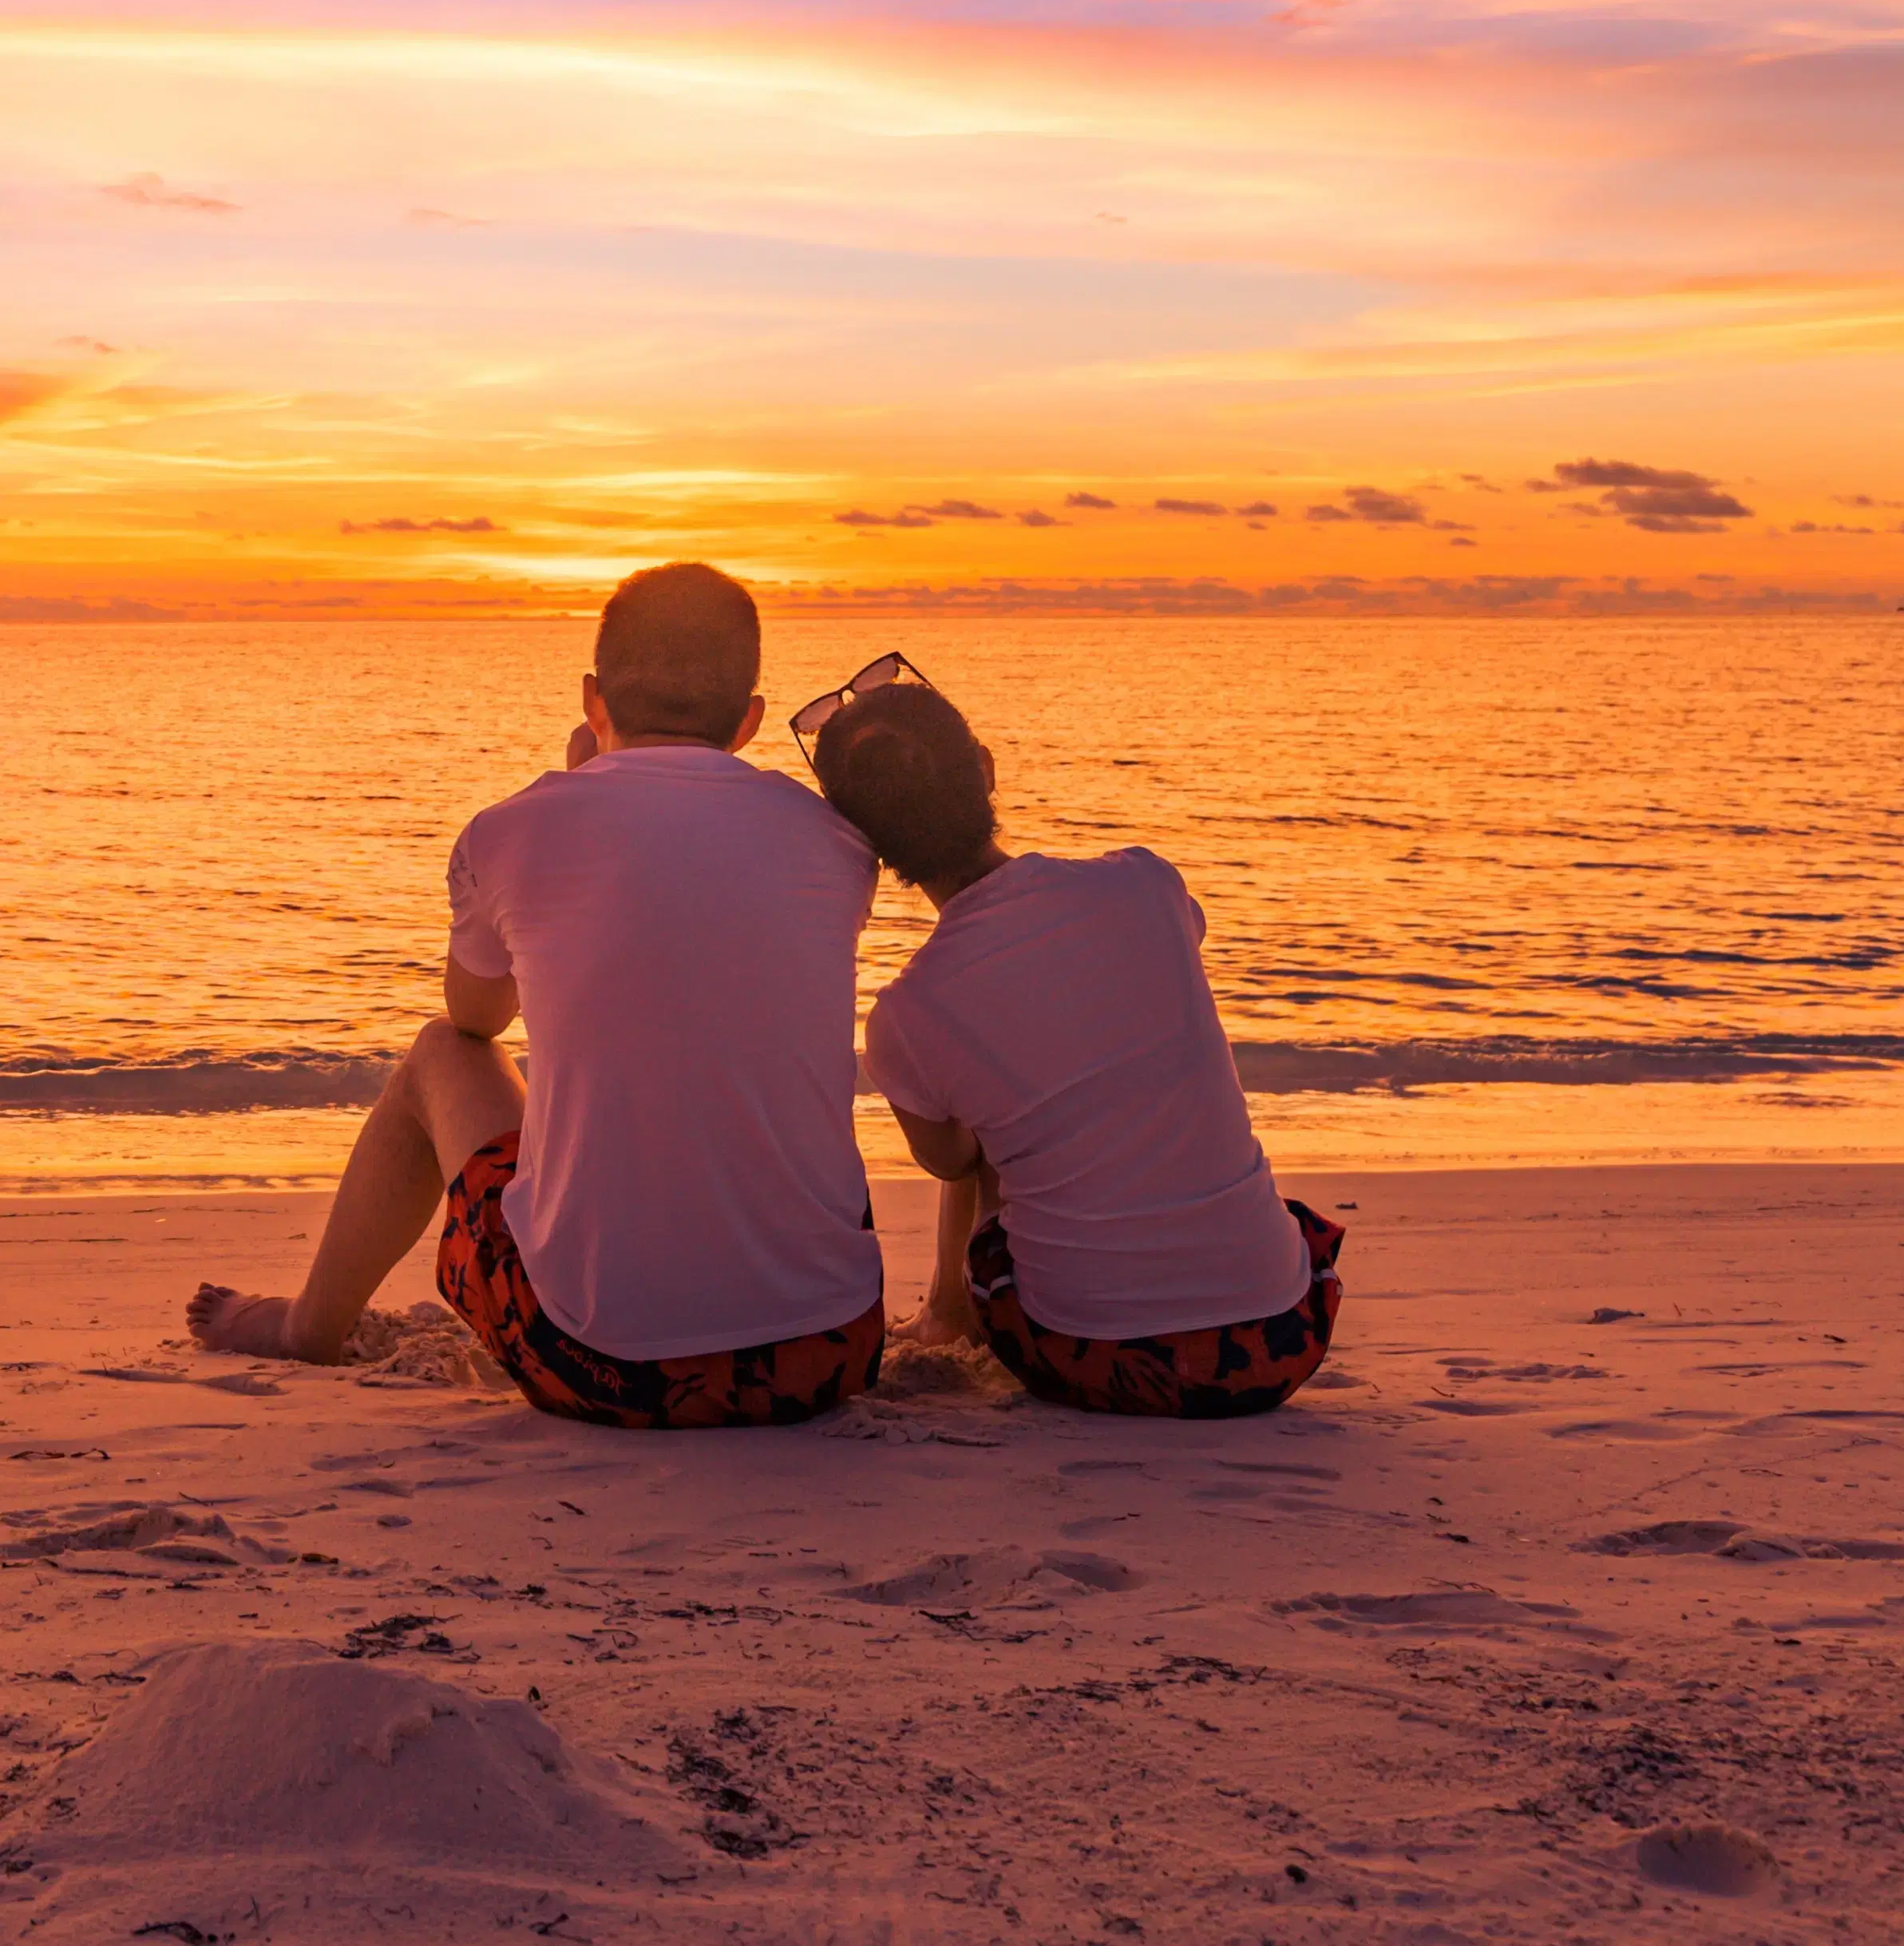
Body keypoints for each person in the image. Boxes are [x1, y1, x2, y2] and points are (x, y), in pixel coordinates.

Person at [185, 562, 889, 1427]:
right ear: (747, 720)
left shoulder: (509, 830)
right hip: (827, 1352)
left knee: (438, 1056)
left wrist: (574, 783)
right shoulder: (838, 840)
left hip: (599, 1364)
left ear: (594, 697)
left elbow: (477, 1016)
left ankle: (307, 1323)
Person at [808, 673, 1342, 1418]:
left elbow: (953, 1160)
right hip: (1279, 1338)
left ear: (867, 846)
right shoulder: (1146, 887)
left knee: (990, 1115)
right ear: (986, 769)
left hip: (1090, 1355)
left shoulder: (907, 1016)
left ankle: (947, 1311)